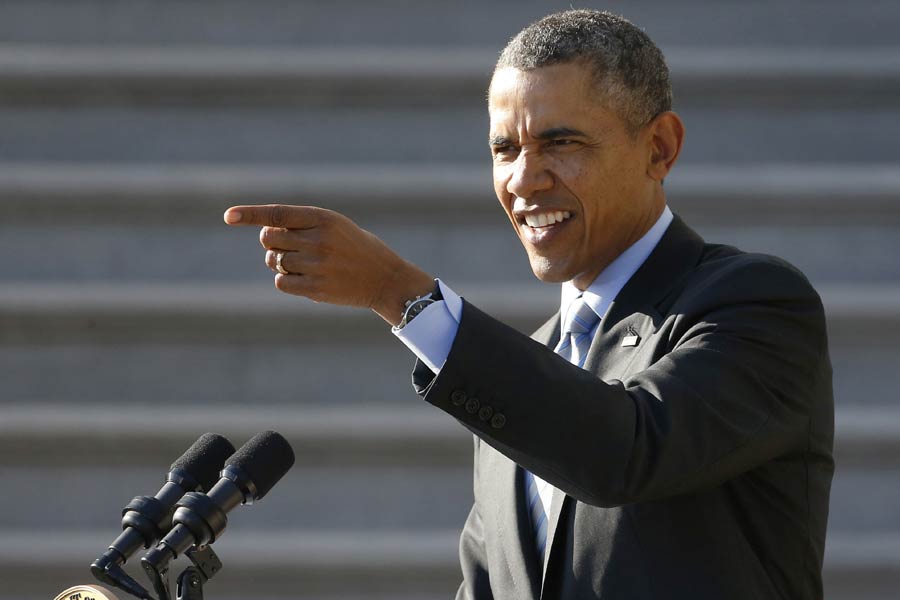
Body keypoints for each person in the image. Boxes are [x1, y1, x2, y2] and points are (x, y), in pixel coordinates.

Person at [223, 10, 834, 600]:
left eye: (560, 142)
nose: (522, 178)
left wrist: (399, 293)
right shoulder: (517, 372)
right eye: (504, 149)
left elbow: (623, 452)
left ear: (659, 149)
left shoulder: (754, 302)